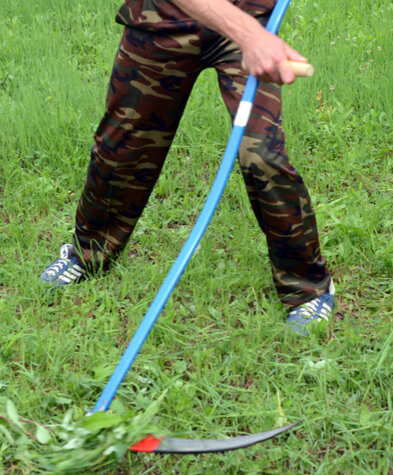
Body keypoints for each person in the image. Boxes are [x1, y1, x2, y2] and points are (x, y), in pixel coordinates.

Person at [40, 0, 334, 335]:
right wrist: (251, 36)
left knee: (262, 155)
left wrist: (253, 30)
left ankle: (307, 288)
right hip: (163, 19)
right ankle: (88, 252)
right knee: (122, 147)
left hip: (248, 13)